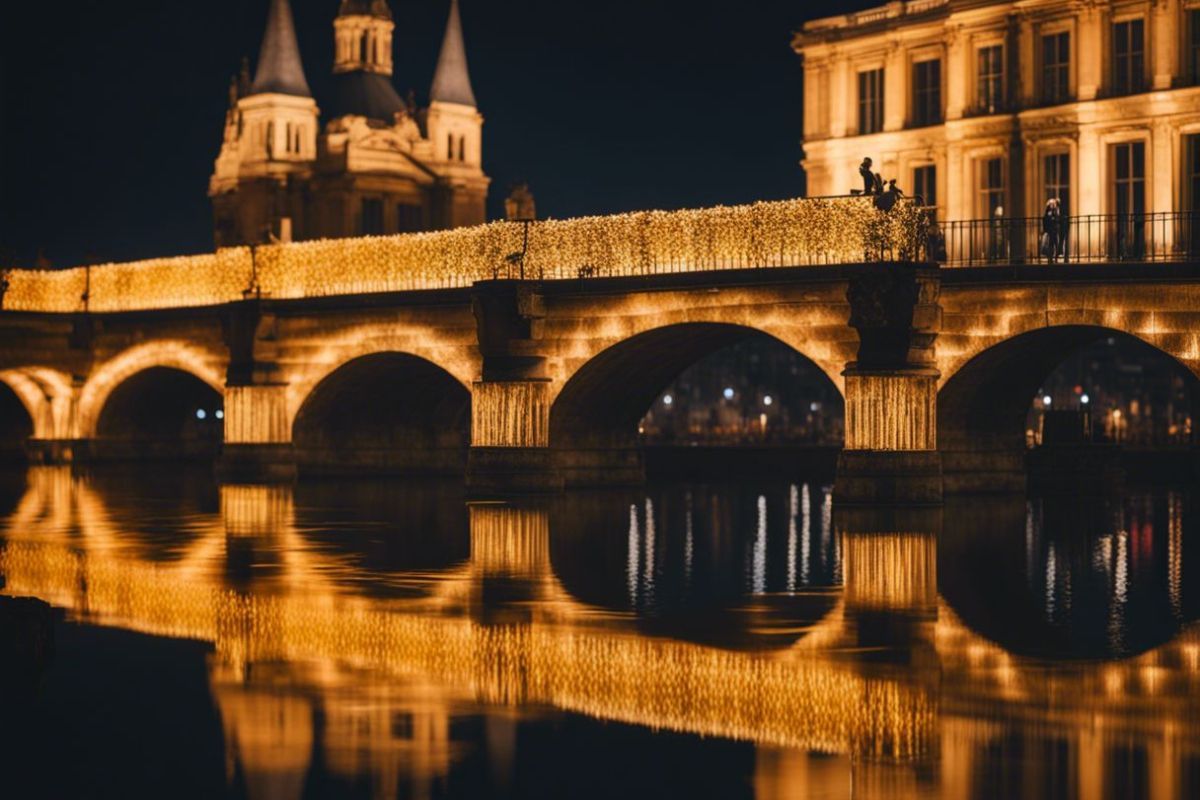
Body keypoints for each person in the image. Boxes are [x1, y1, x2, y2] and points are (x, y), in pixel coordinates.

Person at [1041, 198, 1060, 263]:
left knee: (1055, 244)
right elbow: (1045, 220)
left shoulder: (1055, 211)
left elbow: (1057, 219)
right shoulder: (1048, 212)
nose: (1052, 205)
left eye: (1053, 204)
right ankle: (1051, 258)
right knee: (1051, 244)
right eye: (1051, 204)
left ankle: (1054, 258)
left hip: (1054, 230)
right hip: (1050, 230)